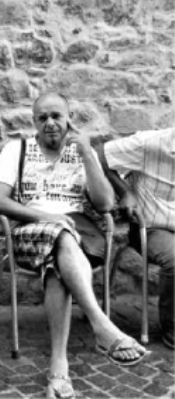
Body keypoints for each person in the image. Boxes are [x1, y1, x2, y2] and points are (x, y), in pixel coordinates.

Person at [0, 92, 150, 399]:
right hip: (30, 230)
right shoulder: (16, 149)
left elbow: (104, 203)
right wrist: (48, 217)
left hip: (82, 236)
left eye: (56, 116)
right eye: (42, 118)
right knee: (59, 233)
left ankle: (59, 370)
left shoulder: (81, 152)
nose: (50, 123)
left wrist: (88, 153)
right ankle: (100, 323)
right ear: (34, 122)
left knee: (58, 264)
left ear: (68, 118)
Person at [97, 127, 174, 349]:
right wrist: (125, 192)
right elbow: (98, 155)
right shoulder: (149, 143)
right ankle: (172, 329)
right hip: (151, 228)